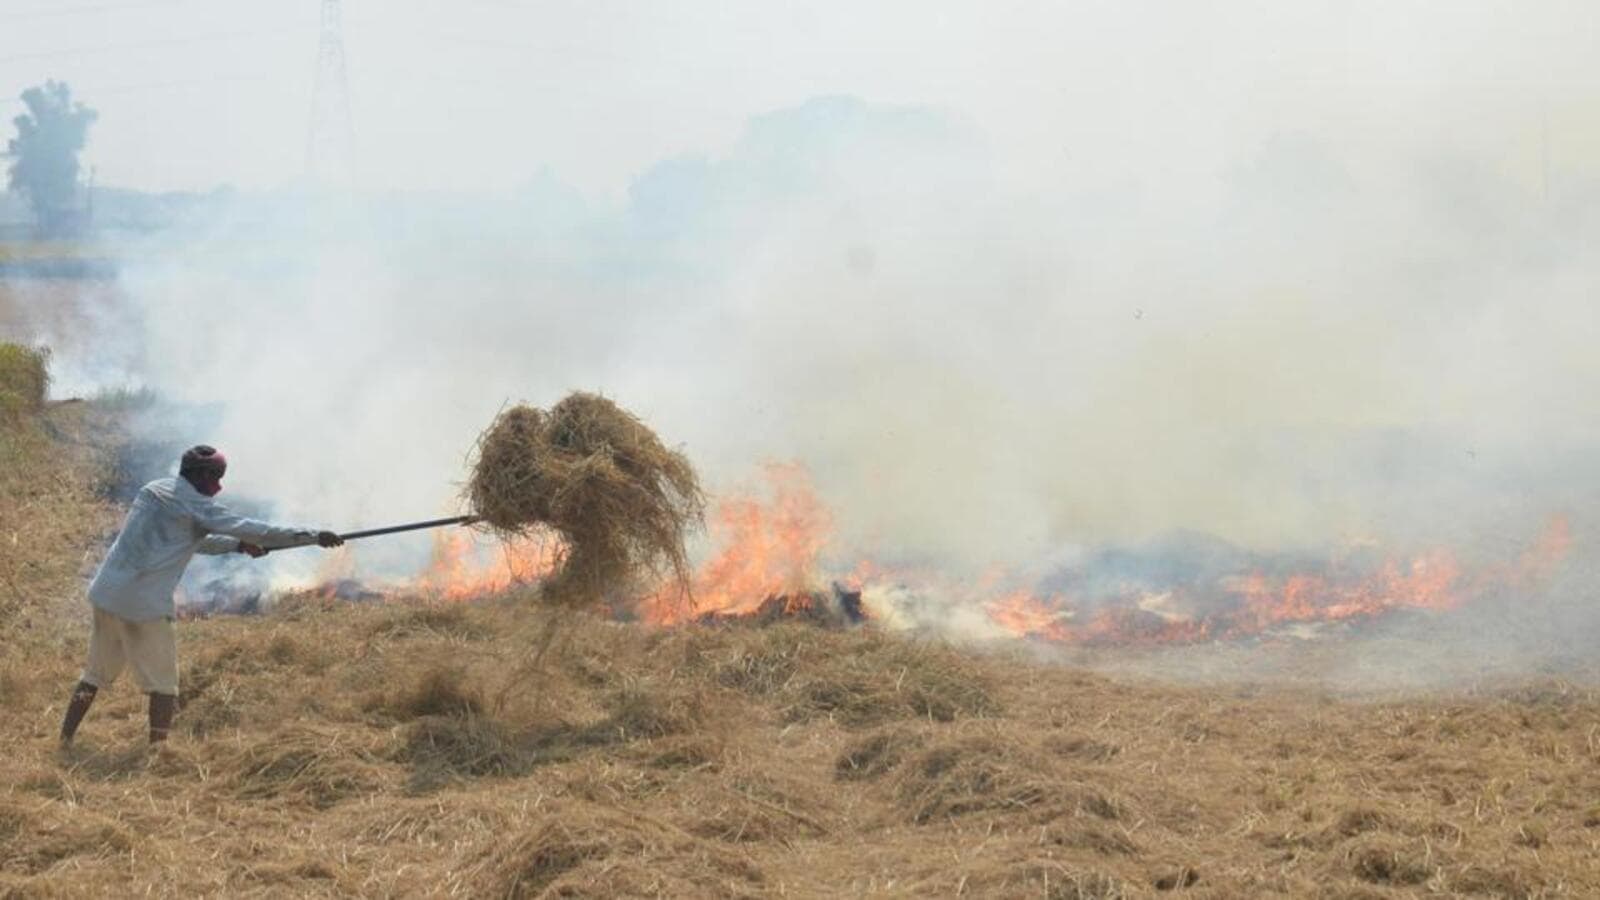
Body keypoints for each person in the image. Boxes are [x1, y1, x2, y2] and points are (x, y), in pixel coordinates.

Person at [58, 444, 344, 746]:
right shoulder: (198, 506)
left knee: (94, 675)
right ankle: (158, 753)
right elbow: (256, 530)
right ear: (201, 474)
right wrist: (314, 536)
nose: (219, 486)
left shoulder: (152, 490)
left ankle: (64, 740)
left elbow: (188, 539)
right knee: (164, 686)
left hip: (107, 593)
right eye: (216, 477)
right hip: (144, 606)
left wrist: (237, 546)